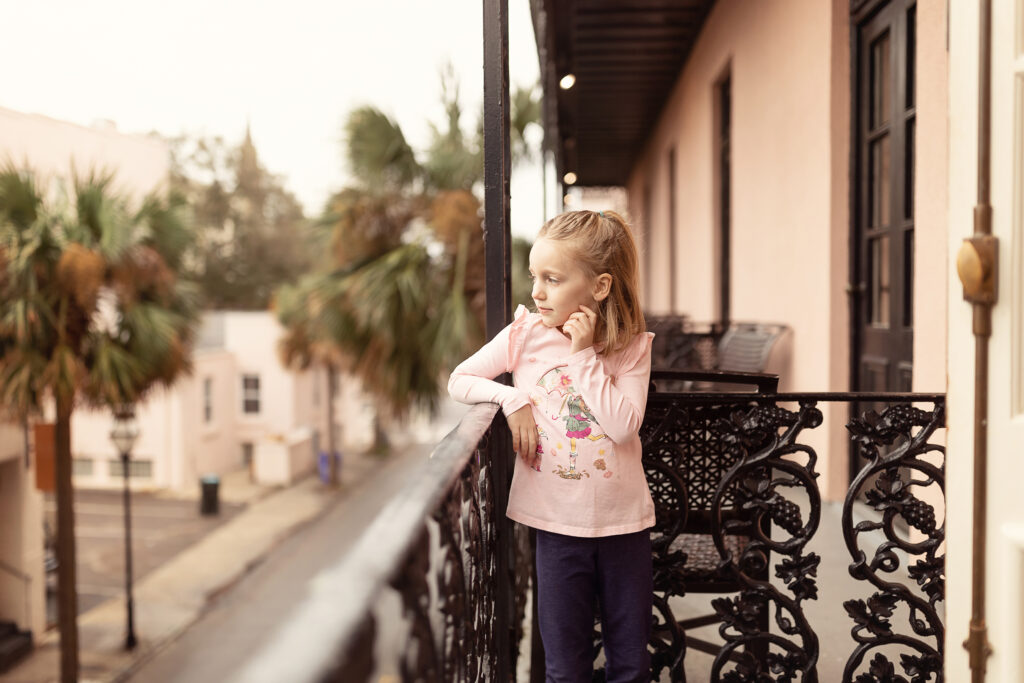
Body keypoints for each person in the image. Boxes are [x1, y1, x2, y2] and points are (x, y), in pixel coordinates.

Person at [448, 209, 655, 683]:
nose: (537, 291)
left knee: (631, 666)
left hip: (625, 528)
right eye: (534, 277)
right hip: (557, 528)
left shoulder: (629, 346)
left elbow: (623, 427)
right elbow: (459, 380)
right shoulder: (525, 337)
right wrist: (511, 397)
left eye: (553, 279)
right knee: (564, 668)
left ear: (599, 287)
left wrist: (583, 356)